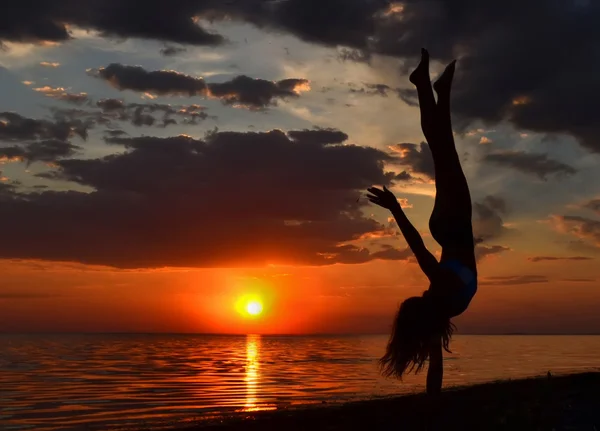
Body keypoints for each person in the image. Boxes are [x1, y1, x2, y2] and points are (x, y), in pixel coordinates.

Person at [366, 48, 477, 395]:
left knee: (444, 149)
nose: (423, 289)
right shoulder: (440, 296)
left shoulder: (446, 299)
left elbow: (436, 370)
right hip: (448, 223)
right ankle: (438, 91)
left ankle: (425, 86)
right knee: (443, 148)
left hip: (455, 221)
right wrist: (395, 208)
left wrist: (396, 207)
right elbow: (416, 245)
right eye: (420, 296)